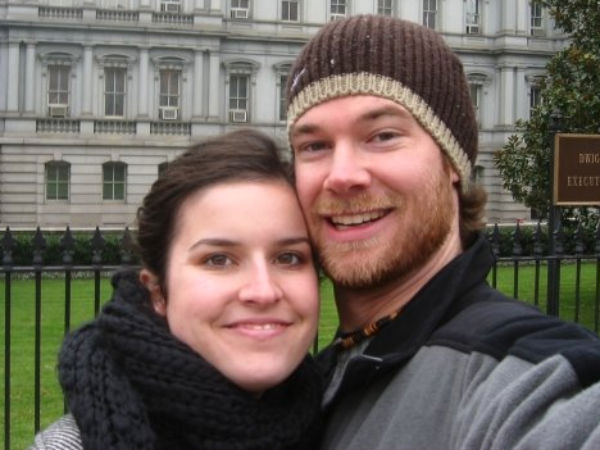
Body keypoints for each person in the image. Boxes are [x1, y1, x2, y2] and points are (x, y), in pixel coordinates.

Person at [285, 14, 600, 450]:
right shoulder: (311, 379)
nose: (342, 176)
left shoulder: (520, 374)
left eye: (382, 135)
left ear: (453, 162)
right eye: (314, 146)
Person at [28, 129, 322, 450]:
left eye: (289, 257)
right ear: (157, 291)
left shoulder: (347, 420)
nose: (263, 291)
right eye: (219, 259)